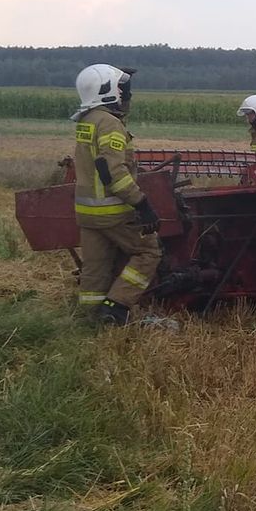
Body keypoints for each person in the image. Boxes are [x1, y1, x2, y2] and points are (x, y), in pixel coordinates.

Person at [71, 64, 161, 326]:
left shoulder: (87, 121)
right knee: (149, 252)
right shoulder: (110, 124)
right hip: (111, 210)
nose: (124, 94)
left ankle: (90, 319)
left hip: (87, 212)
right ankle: (117, 306)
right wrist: (142, 204)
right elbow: (113, 172)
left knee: (95, 269)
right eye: (120, 89)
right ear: (107, 90)